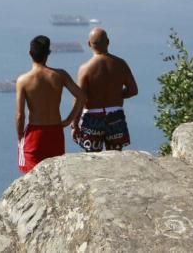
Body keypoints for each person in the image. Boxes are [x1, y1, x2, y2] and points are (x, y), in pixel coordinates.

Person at [16, 35, 86, 173]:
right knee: (55, 174)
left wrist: (20, 137)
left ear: (30, 53)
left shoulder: (23, 80)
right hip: (55, 131)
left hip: (35, 133)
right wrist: (68, 120)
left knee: (30, 176)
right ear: (48, 53)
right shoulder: (60, 75)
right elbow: (82, 97)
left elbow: (20, 115)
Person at [72, 27, 138, 152]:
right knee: (115, 157)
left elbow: (79, 99)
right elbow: (133, 90)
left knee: (92, 158)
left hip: (92, 117)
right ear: (108, 42)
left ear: (89, 44)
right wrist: (116, 95)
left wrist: (74, 125)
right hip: (116, 116)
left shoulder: (85, 69)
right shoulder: (120, 64)